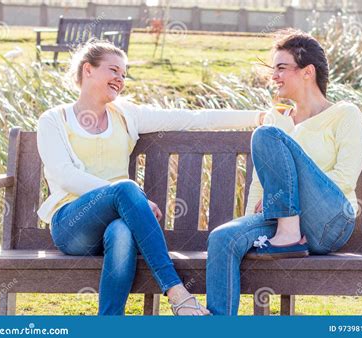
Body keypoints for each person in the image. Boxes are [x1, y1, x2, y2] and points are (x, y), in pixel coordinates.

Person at [36, 40, 262, 316]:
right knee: (126, 189)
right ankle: (176, 292)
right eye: (114, 70)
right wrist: (132, 197)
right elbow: (65, 175)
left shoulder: (127, 115)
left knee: (120, 231)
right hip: (72, 225)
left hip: (119, 223)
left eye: (124, 74)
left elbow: (193, 118)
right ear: (88, 70)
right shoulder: (53, 120)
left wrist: (258, 116)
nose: (120, 79)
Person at [206, 30, 362, 315]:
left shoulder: (345, 114)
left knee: (267, 135)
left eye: (281, 68)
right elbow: (259, 182)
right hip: (279, 226)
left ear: (307, 72)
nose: (274, 76)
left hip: (328, 222)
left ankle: (289, 231)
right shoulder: (276, 119)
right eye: (273, 69)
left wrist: (281, 201)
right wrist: (250, 221)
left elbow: (345, 178)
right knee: (222, 237)